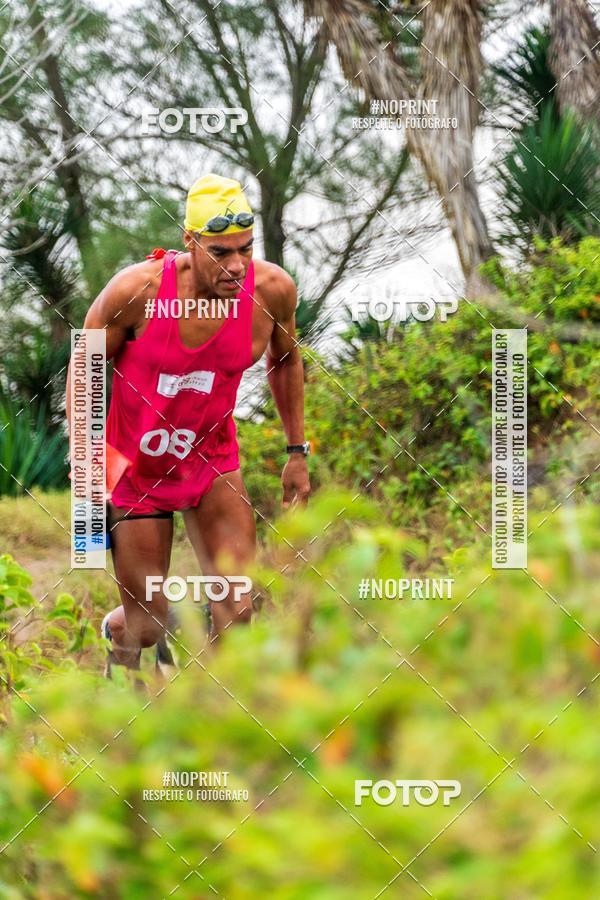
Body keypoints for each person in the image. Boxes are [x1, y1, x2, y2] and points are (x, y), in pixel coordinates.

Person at [66, 174, 310, 677]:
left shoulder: (271, 290)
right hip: (138, 470)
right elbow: (86, 365)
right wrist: (89, 464)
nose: (237, 265)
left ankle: (218, 726)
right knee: (146, 624)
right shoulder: (137, 291)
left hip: (211, 461)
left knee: (238, 606)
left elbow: (285, 361)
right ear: (190, 241)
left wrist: (296, 452)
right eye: (221, 252)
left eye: (245, 249)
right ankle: (123, 659)